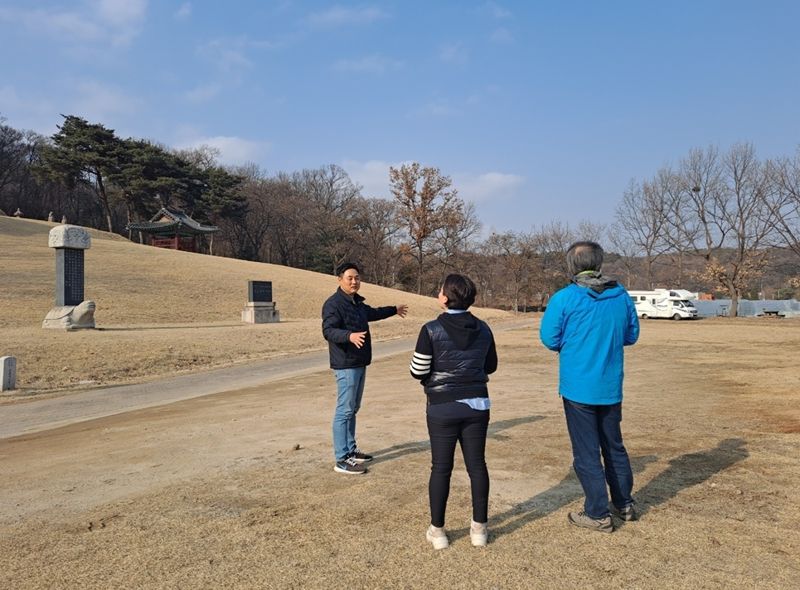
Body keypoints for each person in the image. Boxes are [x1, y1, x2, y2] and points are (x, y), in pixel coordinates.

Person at [540, 241, 640, 533]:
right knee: (614, 446)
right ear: (599, 264)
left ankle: (596, 513)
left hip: (578, 388)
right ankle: (624, 504)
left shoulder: (565, 298)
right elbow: (631, 334)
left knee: (586, 452)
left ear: (572, 265)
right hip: (610, 385)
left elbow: (549, 338)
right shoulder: (621, 296)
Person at [410, 274, 497, 549]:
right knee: (477, 466)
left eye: (440, 290)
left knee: (441, 468)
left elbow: (417, 371)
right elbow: (491, 366)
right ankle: (479, 530)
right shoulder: (484, 328)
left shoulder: (430, 329)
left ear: (445, 298)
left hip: (442, 406)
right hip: (477, 405)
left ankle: (438, 532)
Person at [322, 262, 408, 475]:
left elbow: (373, 313)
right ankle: (342, 459)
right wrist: (348, 336)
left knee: (353, 408)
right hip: (345, 364)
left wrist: (393, 310)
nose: (354, 281)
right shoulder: (333, 304)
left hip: (360, 362)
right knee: (344, 410)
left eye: (357, 278)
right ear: (340, 279)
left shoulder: (357, 303)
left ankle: (351, 450)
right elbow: (329, 330)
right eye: (350, 277)